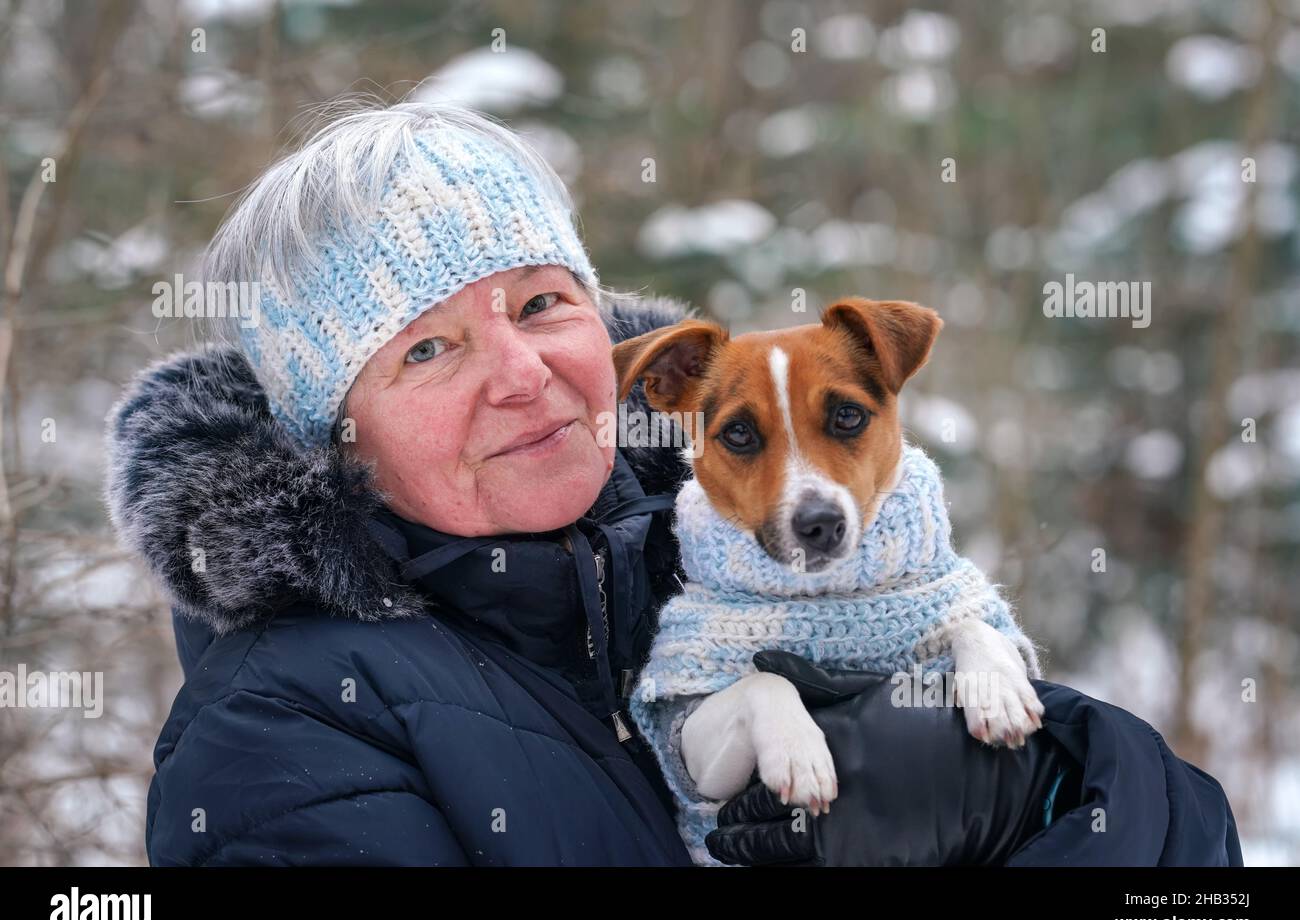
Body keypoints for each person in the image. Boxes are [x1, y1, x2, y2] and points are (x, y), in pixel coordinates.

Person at [103, 95, 1241, 866]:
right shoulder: (279, 733)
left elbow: (1181, 850)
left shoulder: (732, 549)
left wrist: (1033, 796)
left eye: (544, 303)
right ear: (335, 437)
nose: (523, 372)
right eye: (427, 350)